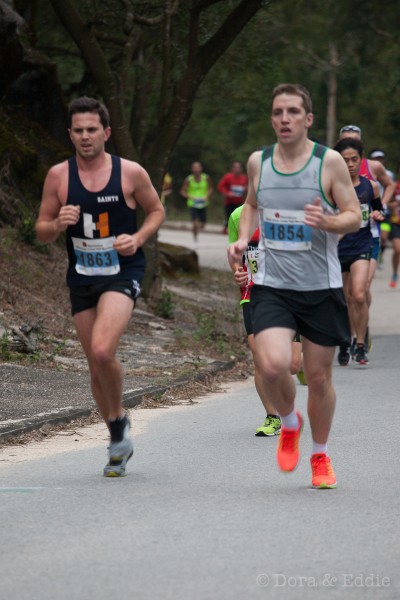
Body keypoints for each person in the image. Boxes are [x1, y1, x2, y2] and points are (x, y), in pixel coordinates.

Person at [228, 83, 361, 489]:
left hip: (320, 286)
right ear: (272, 119)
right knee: (272, 365)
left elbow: (354, 215)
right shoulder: (259, 162)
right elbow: (252, 205)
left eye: (292, 112)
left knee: (318, 379)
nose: (284, 119)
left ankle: (320, 455)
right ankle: (289, 422)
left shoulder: (329, 163)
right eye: (277, 112)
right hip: (273, 284)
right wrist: (242, 239)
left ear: (308, 119)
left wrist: (328, 221)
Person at [35, 96, 165, 477]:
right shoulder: (59, 176)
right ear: (70, 134)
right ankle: (117, 432)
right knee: (95, 367)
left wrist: (137, 238)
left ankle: (118, 423)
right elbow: (41, 231)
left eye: (92, 129)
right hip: (82, 276)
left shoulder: (130, 173)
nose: (85, 136)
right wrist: (57, 224)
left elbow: (156, 211)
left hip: (122, 271)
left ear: (106, 132)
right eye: (78, 130)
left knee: (103, 349)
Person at [228, 205, 306, 437]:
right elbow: (234, 252)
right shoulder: (238, 215)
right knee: (259, 354)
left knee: (292, 365)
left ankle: (301, 364)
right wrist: (237, 270)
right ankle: (272, 416)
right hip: (253, 292)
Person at [338, 126, 395, 348]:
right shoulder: (334, 169)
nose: (351, 161)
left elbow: (388, 186)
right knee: (347, 295)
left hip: (369, 235)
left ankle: (362, 327)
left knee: (361, 290)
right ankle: (354, 331)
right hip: (343, 241)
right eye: (346, 141)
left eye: (354, 141)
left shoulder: (373, 167)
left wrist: (382, 209)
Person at [334, 138, 384, 366]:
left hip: (362, 245)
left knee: (359, 294)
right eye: (345, 160)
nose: (351, 164)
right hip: (337, 248)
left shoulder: (370, 186)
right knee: (343, 300)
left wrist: (378, 215)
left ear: (361, 159)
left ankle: (361, 344)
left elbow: (379, 210)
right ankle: (346, 340)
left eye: (354, 159)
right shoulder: (332, 188)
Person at [180, 161, 214, 241]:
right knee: (195, 223)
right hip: (192, 203)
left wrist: (207, 196)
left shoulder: (206, 178)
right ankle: (195, 235)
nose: (196, 169)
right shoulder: (189, 179)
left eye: (198, 167)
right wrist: (190, 196)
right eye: (194, 168)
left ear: (201, 168)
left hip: (203, 203)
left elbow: (211, 189)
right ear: (192, 169)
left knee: (203, 224)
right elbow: (182, 191)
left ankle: (197, 227)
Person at [218, 161, 248, 234]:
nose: (237, 169)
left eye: (239, 167)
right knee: (230, 217)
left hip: (239, 202)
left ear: (241, 169)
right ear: (232, 169)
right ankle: (227, 229)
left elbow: (247, 187)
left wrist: (246, 189)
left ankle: (234, 230)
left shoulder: (244, 178)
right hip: (229, 202)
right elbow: (220, 186)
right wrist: (227, 193)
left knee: (238, 217)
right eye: (235, 167)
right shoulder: (228, 177)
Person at [387, 161, 400, 287]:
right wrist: (393, 205)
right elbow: (385, 202)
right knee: (397, 249)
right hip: (396, 223)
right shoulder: (394, 186)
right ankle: (395, 273)